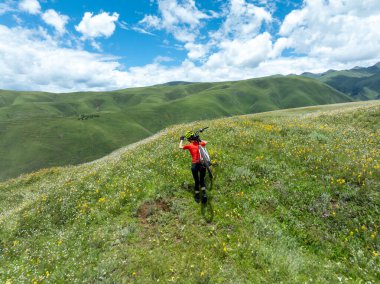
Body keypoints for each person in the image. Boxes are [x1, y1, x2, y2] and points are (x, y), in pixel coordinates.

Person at [179, 131, 207, 203]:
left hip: (195, 164)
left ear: (189, 140)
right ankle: (204, 194)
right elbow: (205, 142)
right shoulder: (200, 143)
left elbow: (180, 147)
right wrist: (199, 139)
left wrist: (181, 140)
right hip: (202, 163)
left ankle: (197, 195)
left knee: (196, 181)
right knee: (202, 179)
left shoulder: (189, 145)